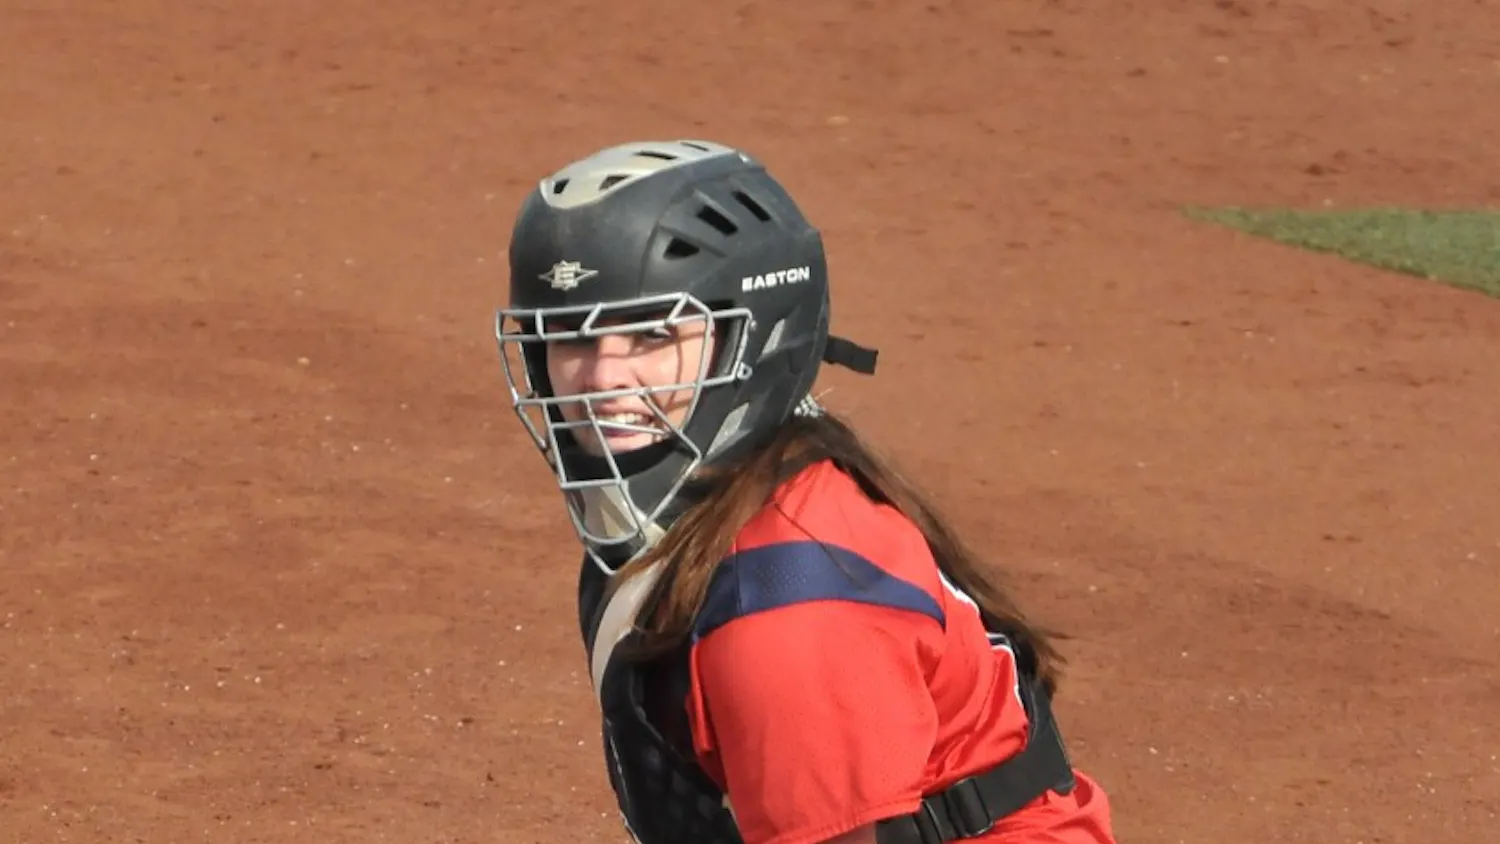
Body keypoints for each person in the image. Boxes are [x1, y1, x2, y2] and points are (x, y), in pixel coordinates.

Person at [493, 139, 1117, 844]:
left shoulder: (787, 599)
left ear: (753, 342)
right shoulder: (703, 514)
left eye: (652, 335)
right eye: (572, 336)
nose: (602, 379)